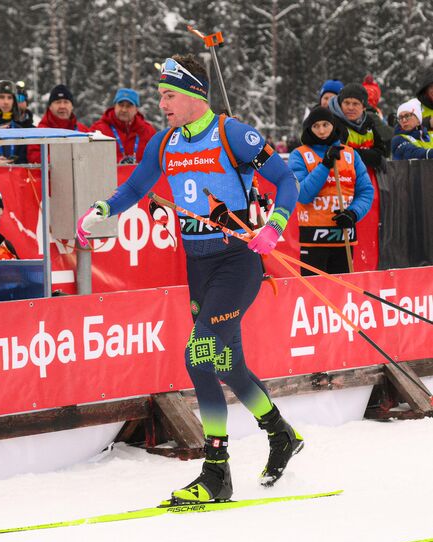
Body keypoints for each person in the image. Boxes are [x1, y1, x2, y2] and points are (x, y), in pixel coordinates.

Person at [77, 54, 303, 503]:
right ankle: (281, 434)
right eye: (160, 94)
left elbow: (287, 181)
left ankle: (216, 472)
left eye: (169, 95)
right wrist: (102, 210)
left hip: (236, 263)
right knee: (227, 364)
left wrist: (273, 227)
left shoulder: (232, 134)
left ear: (195, 95)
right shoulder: (164, 143)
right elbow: (137, 188)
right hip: (197, 266)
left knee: (199, 357)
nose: (161, 103)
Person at [289, 106, 374, 275]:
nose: (321, 130)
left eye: (325, 125)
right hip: (313, 240)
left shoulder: (351, 155)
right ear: (309, 129)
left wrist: (353, 214)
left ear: (333, 126)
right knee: (314, 295)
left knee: (343, 294)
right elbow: (303, 195)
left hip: (343, 238)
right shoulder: (299, 155)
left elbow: (366, 191)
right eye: (316, 126)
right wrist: (325, 165)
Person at [328, 83, 388, 172]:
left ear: (364, 107)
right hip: (342, 178)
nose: (350, 108)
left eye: (355, 104)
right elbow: (343, 154)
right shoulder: (333, 123)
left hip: (367, 179)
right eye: (346, 103)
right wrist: (372, 157)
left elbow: (382, 151)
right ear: (340, 104)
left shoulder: (369, 122)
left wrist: (358, 153)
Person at [89, 87, 156, 164]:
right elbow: (90, 157)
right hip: (108, 175)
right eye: (121, 105)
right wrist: (119, 162)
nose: (124, 110)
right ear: (115, 106)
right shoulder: (98, 130)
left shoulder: (148, 131)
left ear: (136, 109)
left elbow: (156, 160)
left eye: (129, 106)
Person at [27, 84, 88, 164]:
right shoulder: (39, 132)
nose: (62, 106)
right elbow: (34, 159)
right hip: (52, 176)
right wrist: (62, 159)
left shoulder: (83, 131)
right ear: (50, 107)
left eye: (66, 102)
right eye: (58, 102)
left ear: (72, 106)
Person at [0, 80, 34, 165]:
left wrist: (15, 164)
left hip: (13, 176)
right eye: (1, 97)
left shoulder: (19, 129)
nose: (6, 102)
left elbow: (24, 161)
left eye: (9, 97)